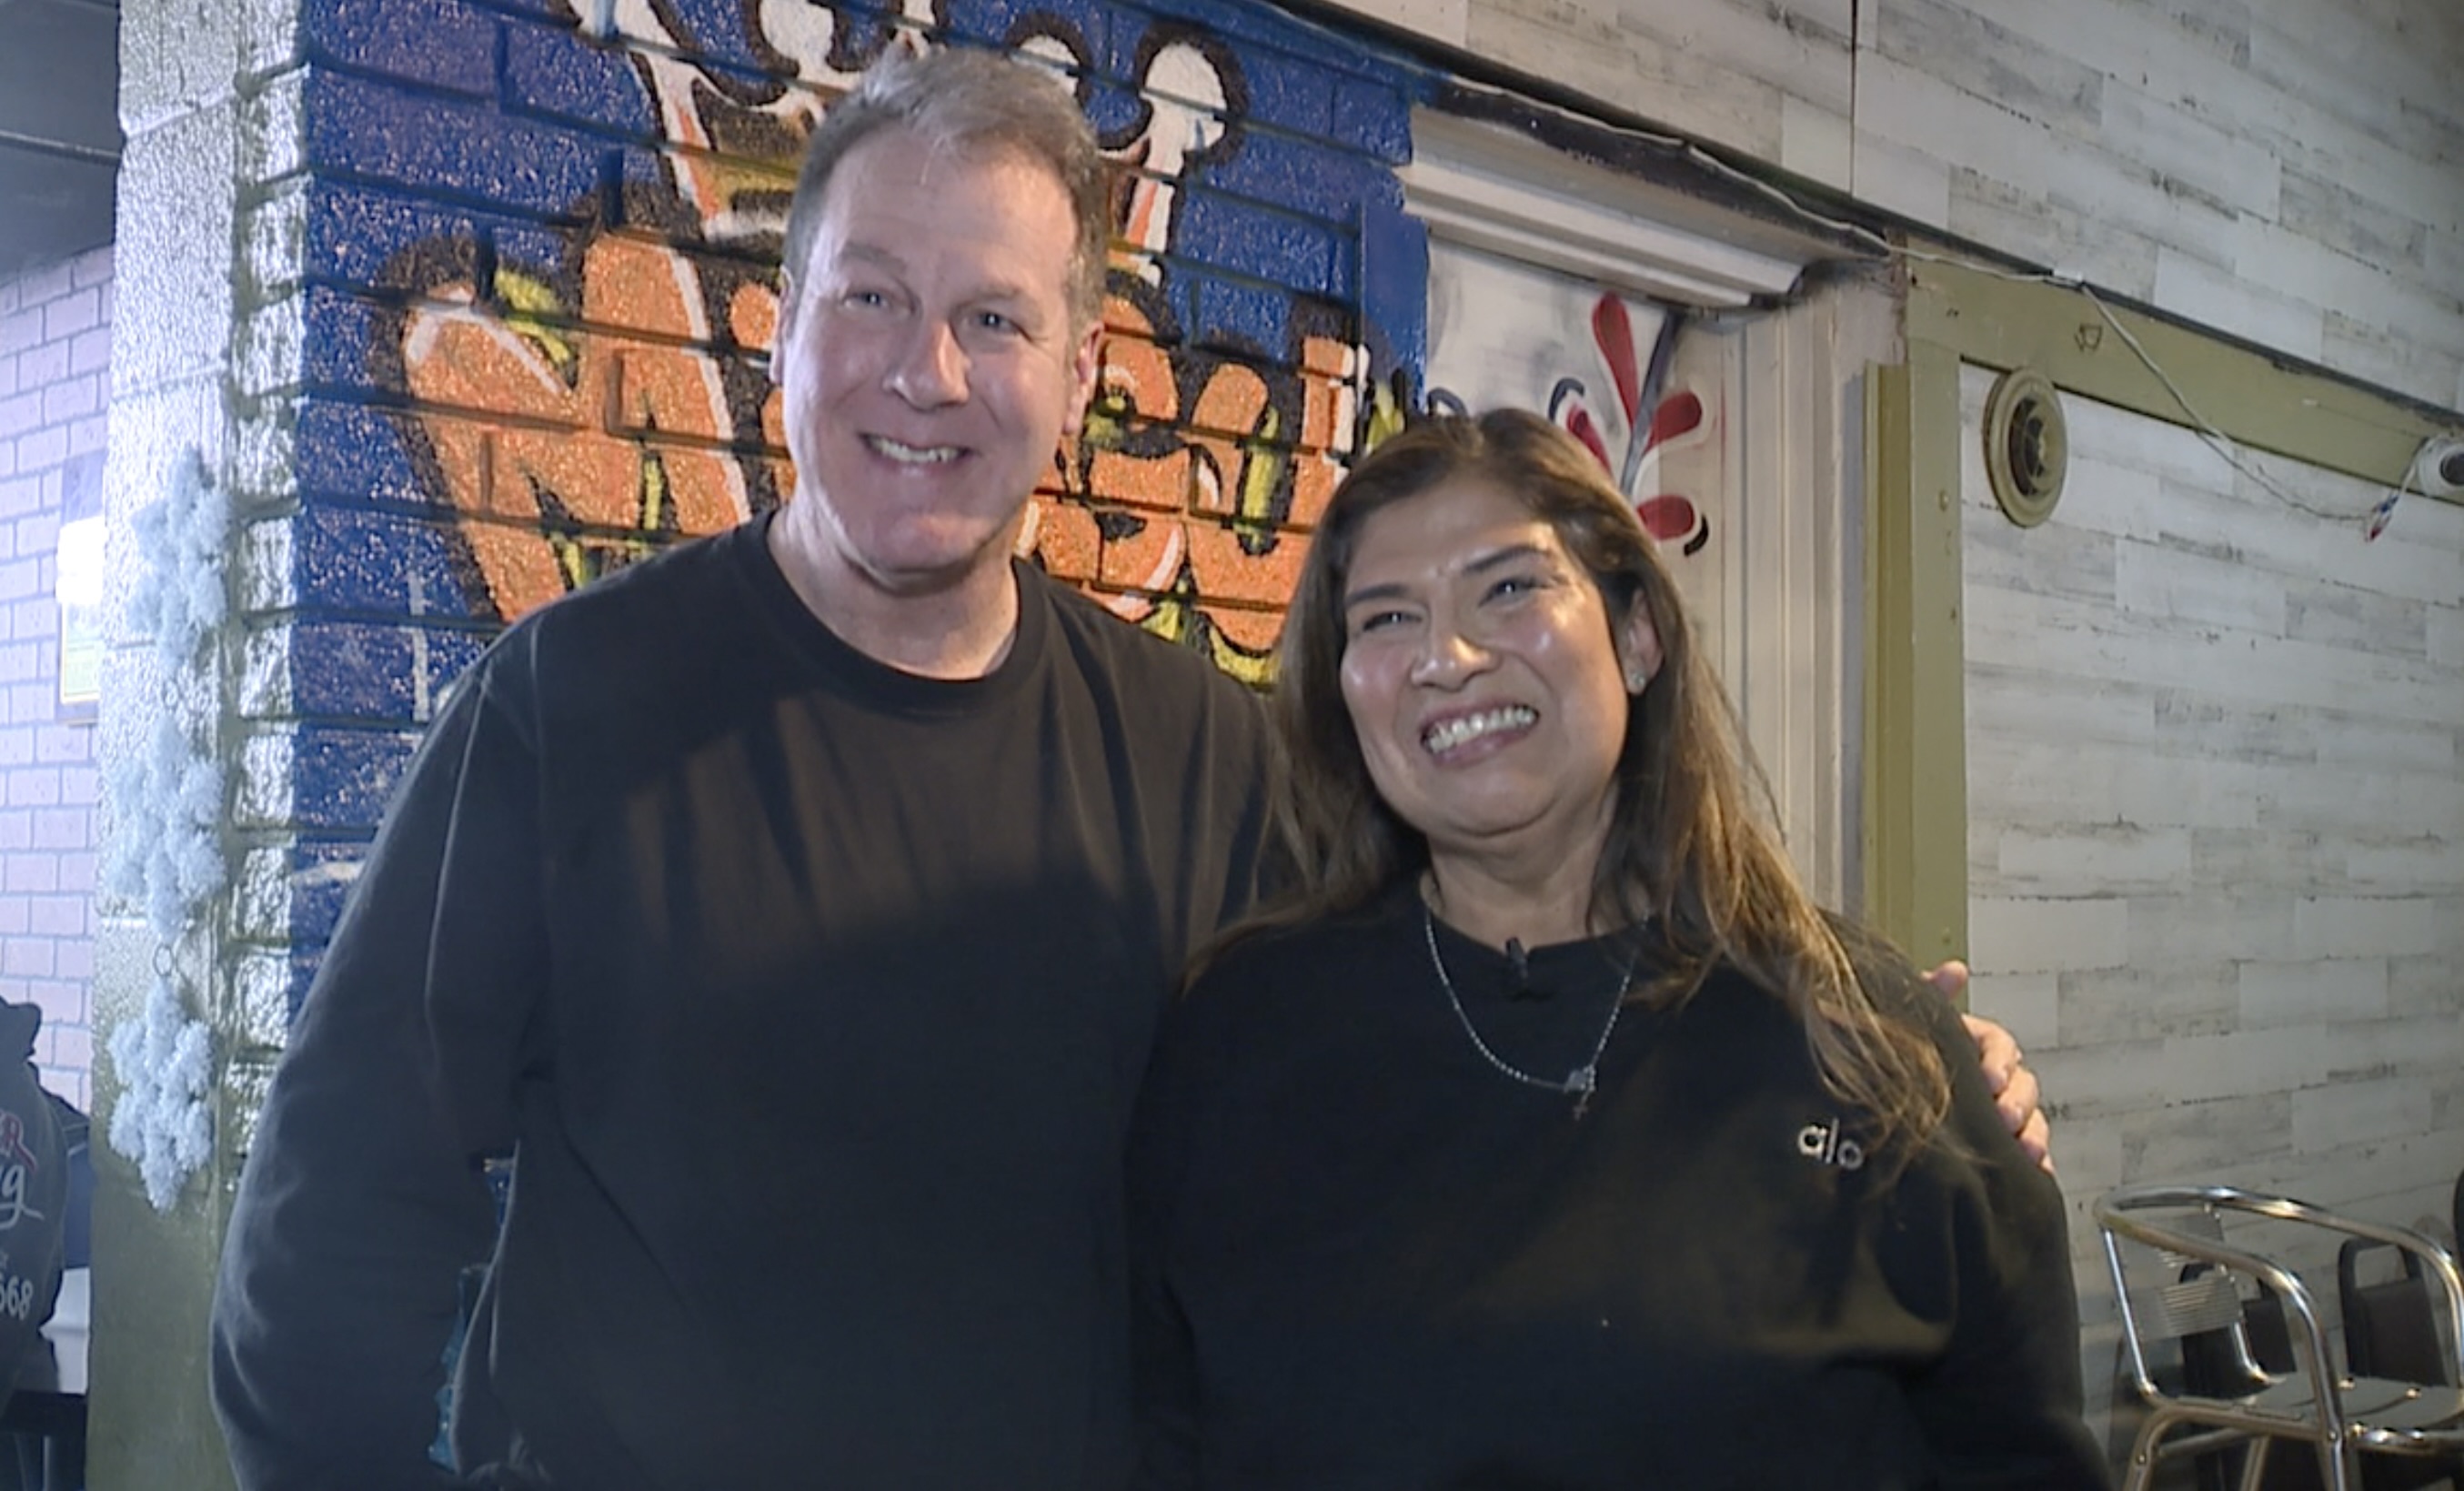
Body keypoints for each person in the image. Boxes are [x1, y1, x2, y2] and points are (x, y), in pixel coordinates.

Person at [208, 46, 2047, 1491]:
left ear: (1077, 372)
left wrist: (1891, 1063)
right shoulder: (567, 709)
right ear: (780, 336)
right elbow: (336, 1223)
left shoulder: (1204, 749)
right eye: (869, 299)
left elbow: (1493, 1000)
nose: (925, 373)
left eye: (993, 318)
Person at [1128, 409, 2106, 1488]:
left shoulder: (1866, 1044)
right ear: (1342, 683)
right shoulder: (1243, 1039)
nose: (1447, 658)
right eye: (1388, 617)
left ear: (1638, 635)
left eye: (1509, 587)